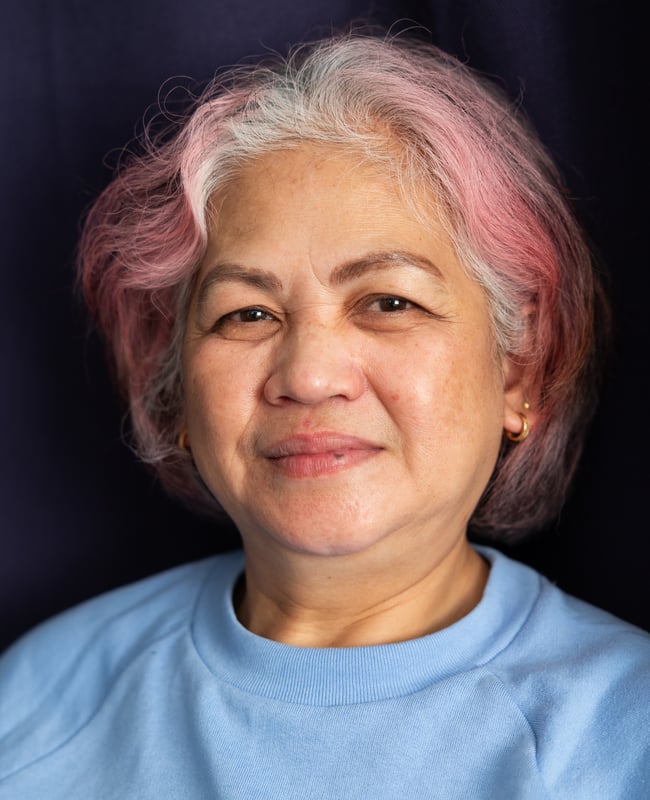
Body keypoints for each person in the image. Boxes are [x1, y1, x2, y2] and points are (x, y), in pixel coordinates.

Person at [0, 30, 647, 799]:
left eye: (389, 302)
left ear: (518, 370)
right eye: (246, 314)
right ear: (175, 391)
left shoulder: (625, 732)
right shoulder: (37, 698)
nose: (308, 377)